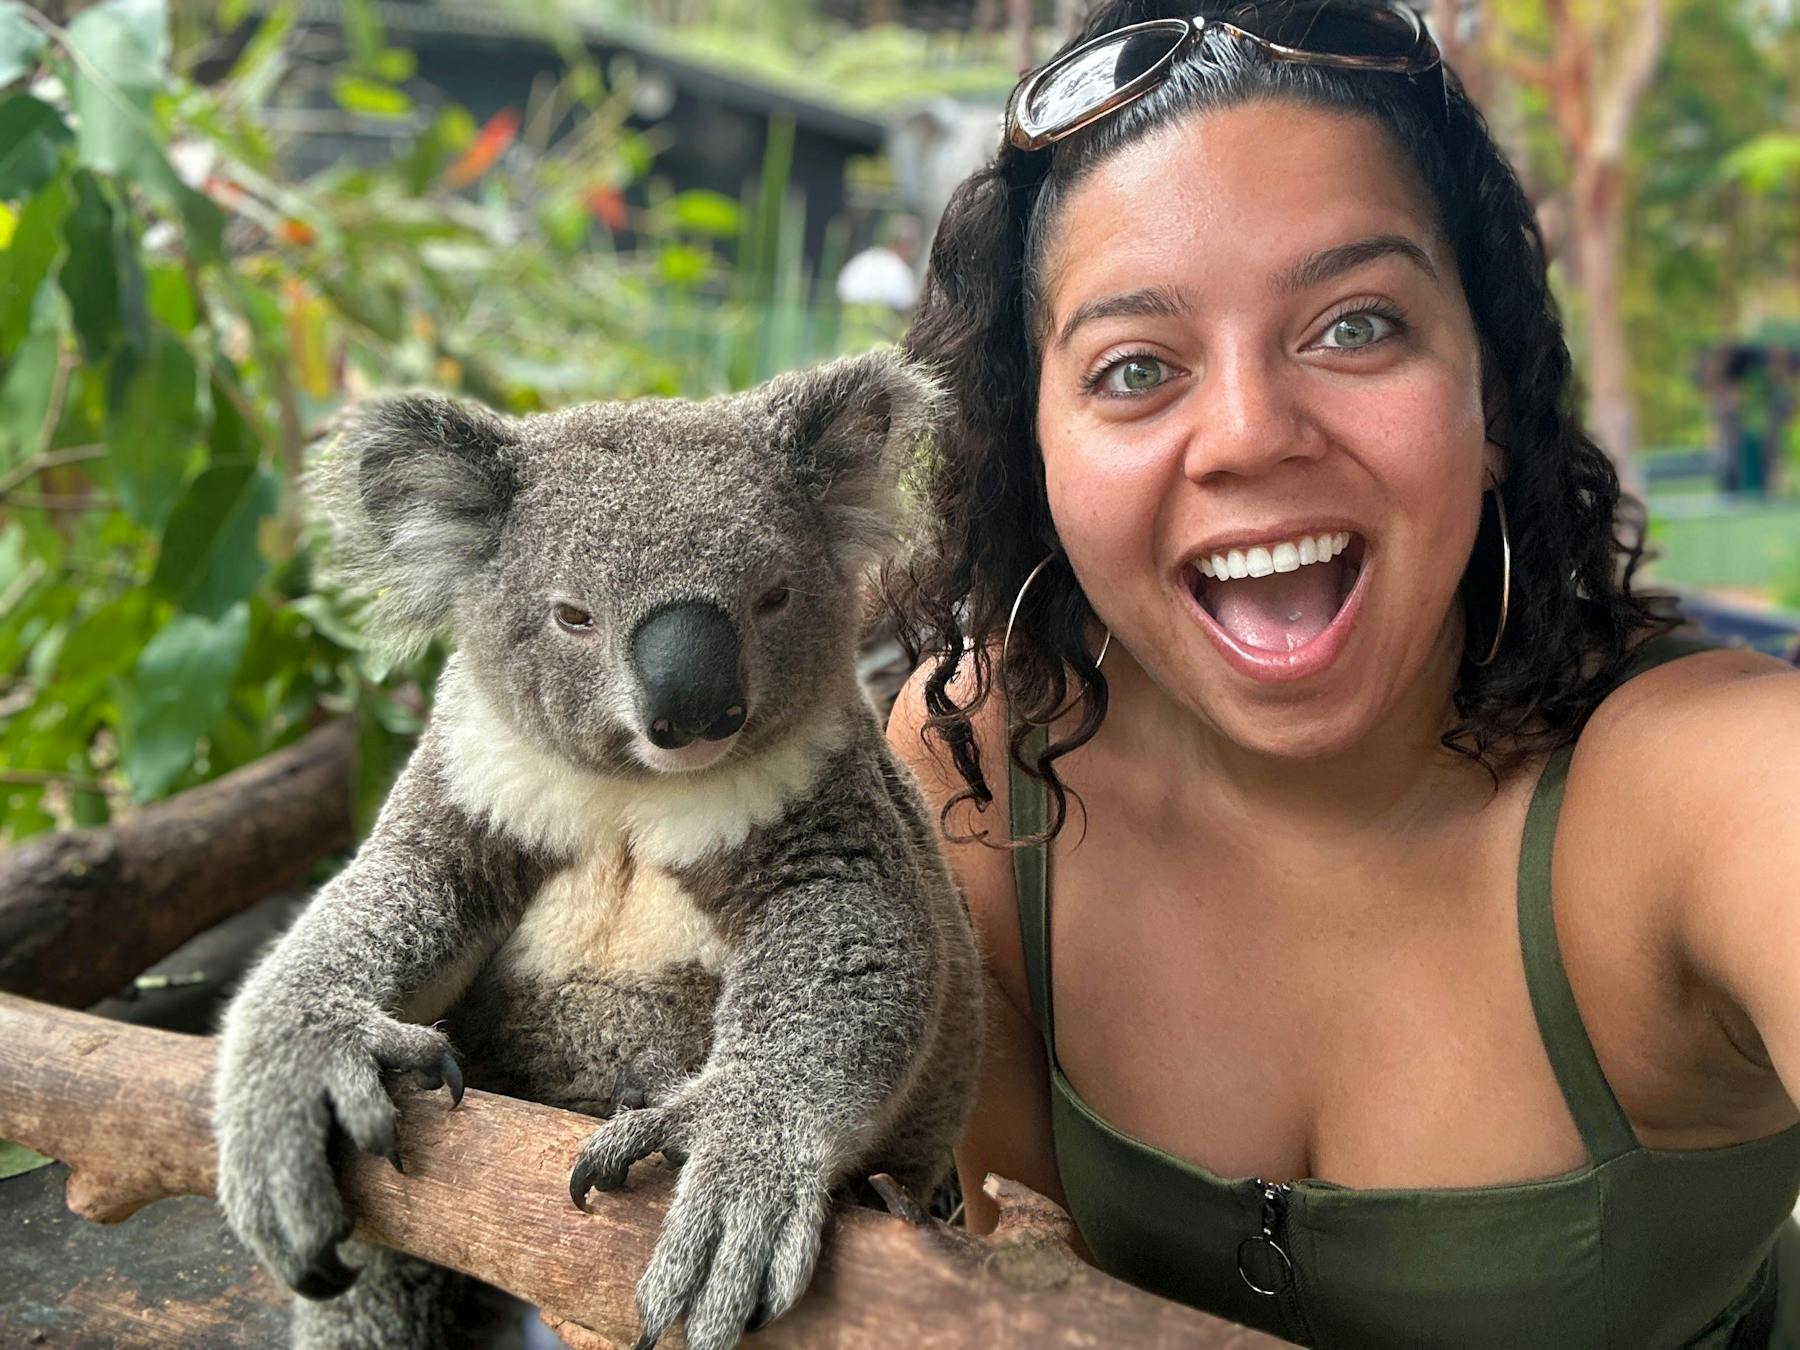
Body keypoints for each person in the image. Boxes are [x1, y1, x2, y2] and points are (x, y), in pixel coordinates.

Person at [882, 2, 1800, 1345]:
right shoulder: (984, 762)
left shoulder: (1703, 787)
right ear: (1034, 451)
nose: (1250, 434)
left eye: (1356, 327)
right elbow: (1014, 1298)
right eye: (1135, 368)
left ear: (1490, 387)